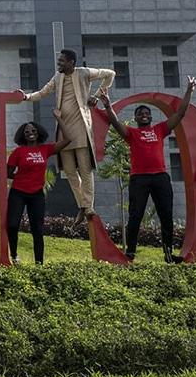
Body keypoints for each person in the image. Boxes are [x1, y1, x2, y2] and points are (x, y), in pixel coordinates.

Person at [99, 76, 196, 263]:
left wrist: (189, 91)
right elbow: (115, 123)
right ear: (136, 118)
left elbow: (180, 114)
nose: (144, 115)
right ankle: (130, 253)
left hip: (160, 177)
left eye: (147, 113)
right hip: (139, 179)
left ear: (151, 117)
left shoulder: (160, 129)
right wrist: (107, 105)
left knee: (166, 216)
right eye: (140, 113)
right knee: (136, 216)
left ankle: (169, 255)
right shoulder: (132, 133)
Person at [17, 49, 115, 224]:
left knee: (85, 170)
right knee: (69, 172)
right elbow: (42, 93)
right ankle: (83, 206)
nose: (59, 64)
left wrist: (97, 96)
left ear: (71, 62)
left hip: (81, 129)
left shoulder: (84, 73)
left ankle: (89, 207)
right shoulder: (58, 77)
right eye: (59, 61)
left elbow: (110, 74)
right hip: (63, 131)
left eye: (62, 61)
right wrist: (25, 96)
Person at [6, 110, 71, 265]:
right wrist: (22, 178)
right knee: (12, 224)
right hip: (18, 193)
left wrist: (58, 118)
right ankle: (14, 255)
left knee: (37, 229)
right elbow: (8, 173)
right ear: (23, 135)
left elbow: (68, 139)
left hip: (36, 195)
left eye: (33, 131)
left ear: (38, 133)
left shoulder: (45, 149)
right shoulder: (18, 151)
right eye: (27, 131)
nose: (30, 133)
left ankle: (39, 263)